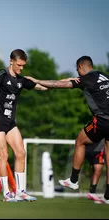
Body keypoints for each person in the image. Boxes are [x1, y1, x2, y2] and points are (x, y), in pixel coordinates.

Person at [25, 55, 109, 204]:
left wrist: (37, 81)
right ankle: (108, 195)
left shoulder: (86, 80)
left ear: (81, 67)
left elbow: (59, 84)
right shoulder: (101, 75)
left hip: (103, 120)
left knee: (80, 141)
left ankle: (74, 179)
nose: (77, 74)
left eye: (77, 70)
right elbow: (72, 80)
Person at [0, 49, 48, 202]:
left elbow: (41, 86)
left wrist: (64, 84)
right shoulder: (1, 75)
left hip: (10, 122)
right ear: (11, 61)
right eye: (19, 65)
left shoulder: (21, 80)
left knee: (21, 153)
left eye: (23, 66)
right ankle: (7, 194)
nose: (21, 68)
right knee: (3, 156)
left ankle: (21, 192)